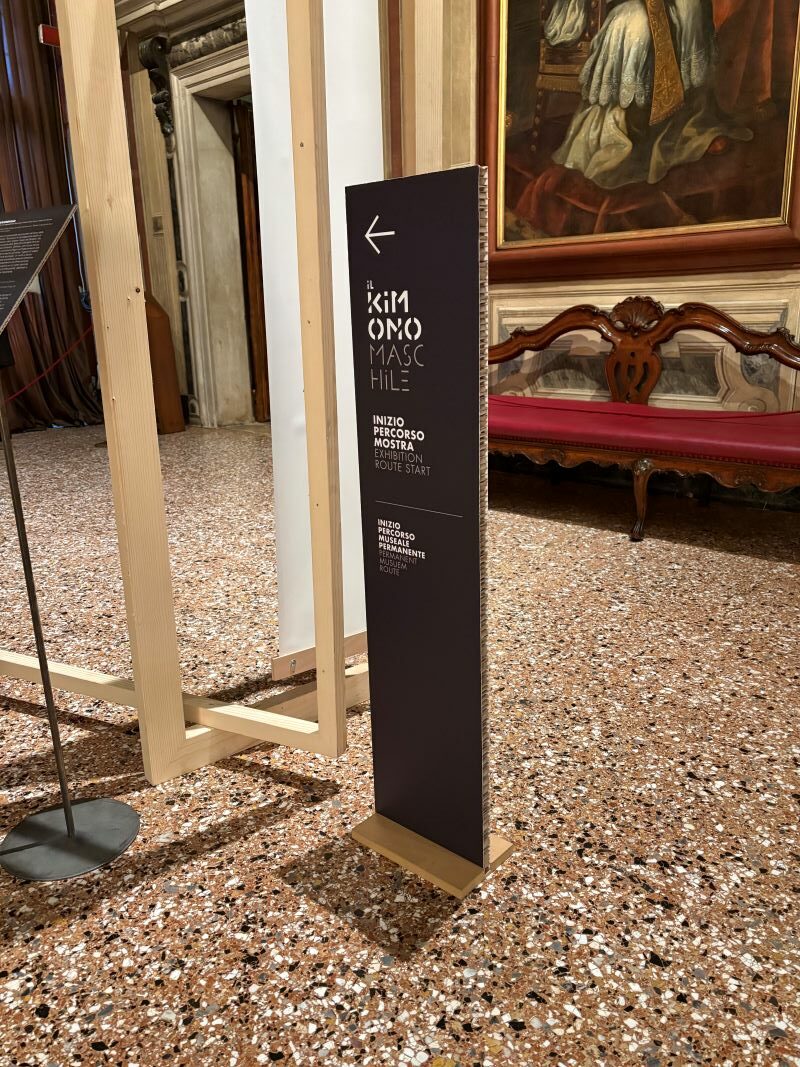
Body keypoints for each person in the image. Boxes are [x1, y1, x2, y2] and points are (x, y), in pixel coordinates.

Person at [544, 0, 751, 188]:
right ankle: (630, 134)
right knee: (638, 28)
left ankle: (691, 126)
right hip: (618, 6)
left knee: (691, 6)